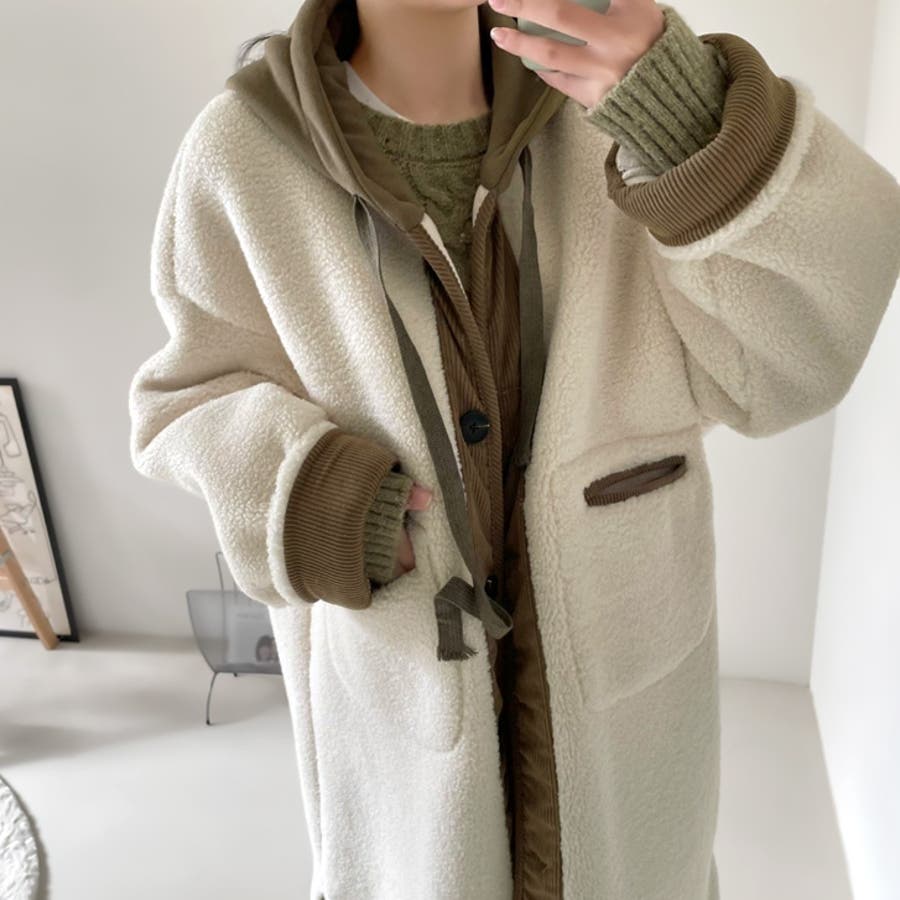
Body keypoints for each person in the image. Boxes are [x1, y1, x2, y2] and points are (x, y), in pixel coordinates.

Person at [127, 0, 900, 896]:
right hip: (402, 698)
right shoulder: (244, 151)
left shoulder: (617, 98)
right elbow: (191, 397)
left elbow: (801, 352)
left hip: (631, 680)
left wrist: (692, 126)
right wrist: (325, 503)